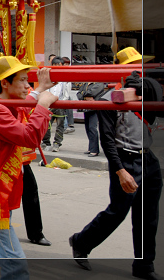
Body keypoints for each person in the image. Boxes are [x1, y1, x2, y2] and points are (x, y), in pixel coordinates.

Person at [69, 54, 162, 280]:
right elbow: (107, 139)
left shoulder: (148, 92)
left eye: (139, 67)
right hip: (125, 159)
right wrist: (120, 171)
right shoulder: (109, 99)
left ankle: (144, 266)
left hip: (148, 158)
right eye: (132, 68)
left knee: (148, 216)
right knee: (118, 211)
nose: (137, 71)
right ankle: (81, 241)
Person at [0, 56, 57, 280]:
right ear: (4, 83)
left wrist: (41, 90)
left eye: (29, 81)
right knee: (14, 263)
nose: (28, 86)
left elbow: (25, 101)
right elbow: (30, 137)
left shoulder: (7, 103)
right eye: (23, 80)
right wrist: (43, 105)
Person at [41, 57, 69, 152]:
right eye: (55, 65)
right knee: (46, 125)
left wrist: (63, 102)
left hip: (60, 103)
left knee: (60, 126)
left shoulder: (65, 77)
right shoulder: (48, 76)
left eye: (59, 65)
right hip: (49, 103)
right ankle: (46, 143)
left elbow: (66, 93)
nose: (57, 67)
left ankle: (57, 143)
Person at [60, 57, 75, 134]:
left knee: (63, 111)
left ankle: (67, 125)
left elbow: (68, 86)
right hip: (60, 95)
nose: (66, 65)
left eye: (67, 64)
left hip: (65, 94)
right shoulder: (60, 71)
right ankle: (67, 125)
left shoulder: (68, 72)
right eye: (65, 63)